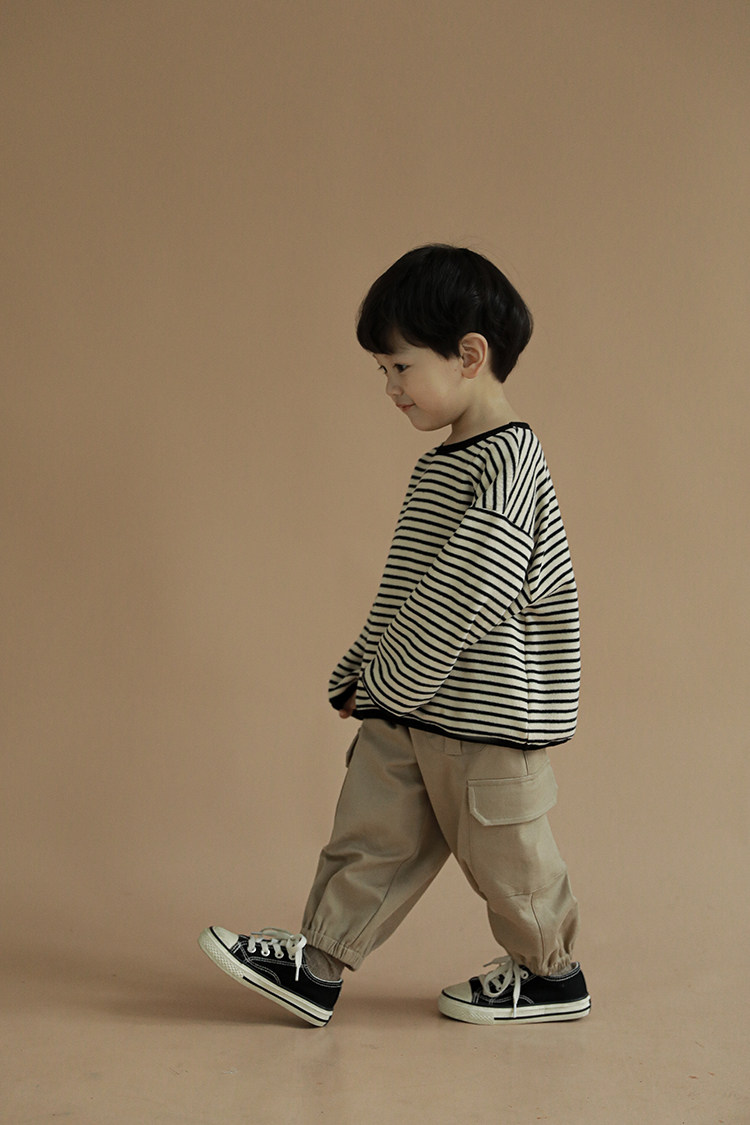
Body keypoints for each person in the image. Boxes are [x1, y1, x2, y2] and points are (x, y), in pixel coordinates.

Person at [199, 244, 590, 1027]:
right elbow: (404, 589)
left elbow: (465, 594)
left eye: (400, 366)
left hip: (485, 718)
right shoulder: (438, 465)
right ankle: (317, 965)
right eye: (382, 370)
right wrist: (361, 670)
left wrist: (390, 680)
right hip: (411, 703)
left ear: (469, 355)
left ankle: (551, 974)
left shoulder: (509, 464)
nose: (390, 387)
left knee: (509, 859)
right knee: (370, 835)